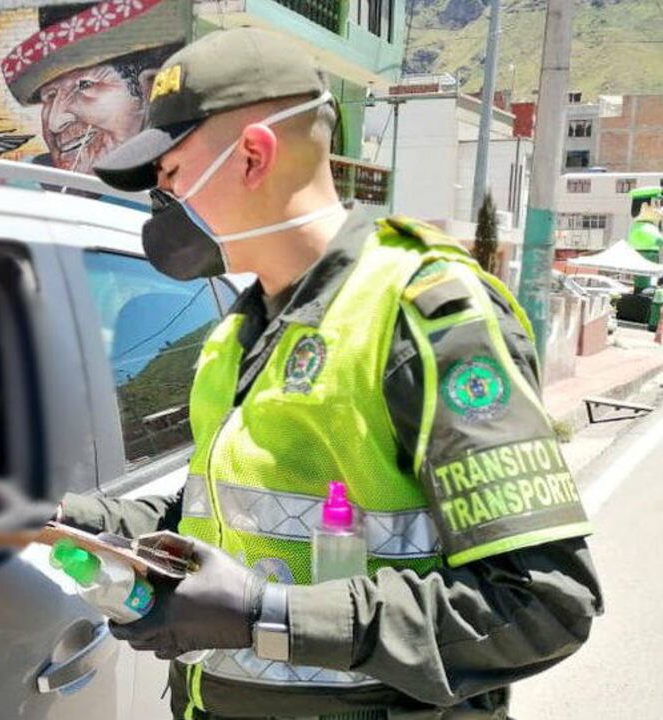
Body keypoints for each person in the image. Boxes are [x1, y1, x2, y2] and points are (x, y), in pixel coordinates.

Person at [36, 26, 599, 720]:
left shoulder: (423, 315)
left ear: (253, 156)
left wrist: (266, 616)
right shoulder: (239, 331)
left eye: (172, 174)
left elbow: (541, 605)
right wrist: (65, 518)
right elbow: (218, 517)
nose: (162, 199)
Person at [0, 0, 187, 172]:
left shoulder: (180, 182)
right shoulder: (18, 181)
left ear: (153, 89)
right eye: (51, 95)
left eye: (85, 85)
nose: (55, 123)